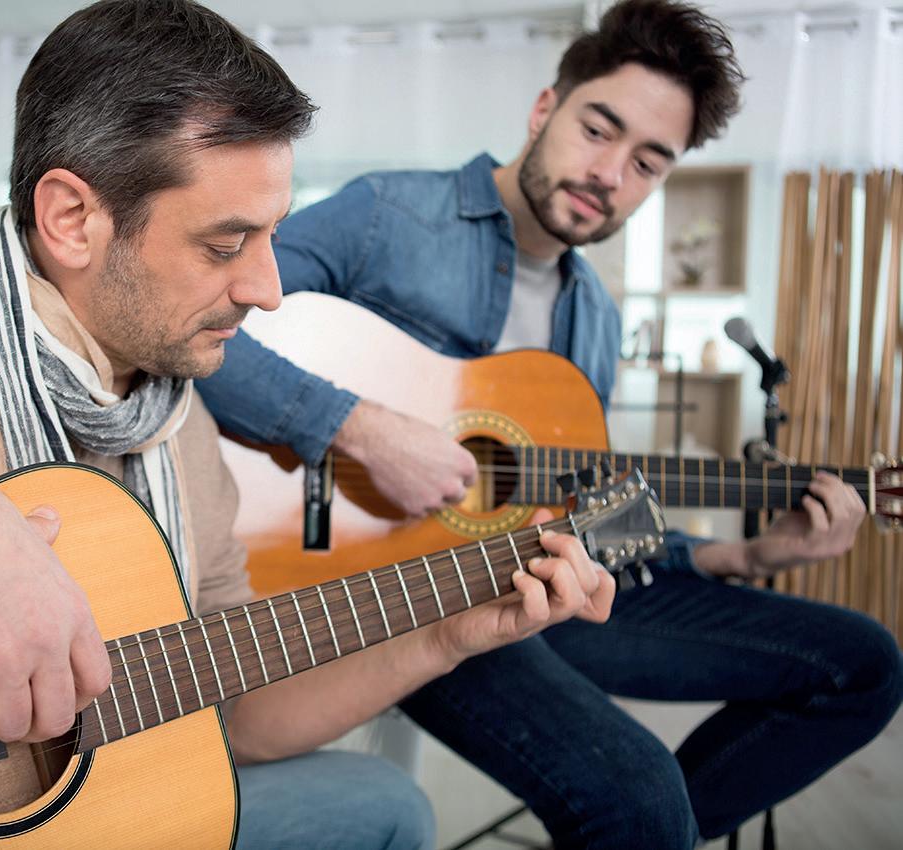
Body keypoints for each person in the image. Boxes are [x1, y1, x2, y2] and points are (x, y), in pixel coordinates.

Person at [0, 2, 618, 847]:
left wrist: (445, 636)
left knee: (381, 804)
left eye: (272, 236)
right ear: (72, 219)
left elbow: (233, 712)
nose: (268, 288)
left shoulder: (181, 433)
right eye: (227, 243)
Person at [196, 0, 903, 846]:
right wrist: (361, 430)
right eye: (598, 130)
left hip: (533, 588)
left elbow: (589, 511)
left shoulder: (594, 320)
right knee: (638, 799)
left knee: (864, 664)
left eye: (647, 163)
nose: (611, 173)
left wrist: (745, 557)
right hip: (388, 598)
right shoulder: (388, 214)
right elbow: (204, 317)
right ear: (545, 109)